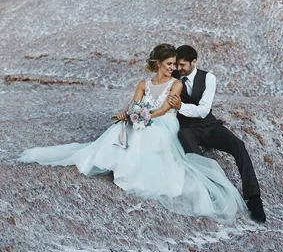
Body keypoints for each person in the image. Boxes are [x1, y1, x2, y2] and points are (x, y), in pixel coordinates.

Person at [18, 44, 246, 222]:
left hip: (163, 121)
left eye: (175, 64)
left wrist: (145, 117)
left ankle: (129, 172)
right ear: (158, 64)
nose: (173, 68)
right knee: (120, 128)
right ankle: (108, 161)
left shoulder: (175, 84)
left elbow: (166, 109)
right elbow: (134, 104)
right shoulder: (143, 83)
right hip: (145, 117)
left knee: (146, 134)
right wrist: (128, 114)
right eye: (169, 63)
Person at [168, 45, 266, 223]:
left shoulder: (208, 78)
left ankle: (254, 199)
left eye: (182, 65)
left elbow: (204, 110)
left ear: (194, 62)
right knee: (185, 139)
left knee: (239, 145)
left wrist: (181, 106)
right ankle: (209, 191)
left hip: (209, 125)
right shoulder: (173, 77)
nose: (179, 68)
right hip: (188, 129)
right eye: (177, 65)